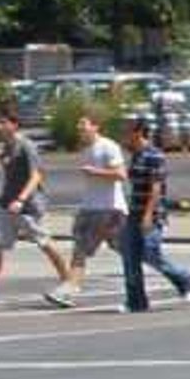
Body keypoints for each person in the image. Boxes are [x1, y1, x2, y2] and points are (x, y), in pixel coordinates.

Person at [0, 106, 79, 309]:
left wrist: (21, 199)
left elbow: (37, 175)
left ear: (14, 124)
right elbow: (10, 172)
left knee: (45, 244)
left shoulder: (26, 145)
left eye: (3, 122)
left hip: (28, 207)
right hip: (5, 205)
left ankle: (68, 284)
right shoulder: (5, 146)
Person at [118, 112, 190, 312]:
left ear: (138, 132)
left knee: (150, 253)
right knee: (130, 258)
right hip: (133, 213)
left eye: (127, 130)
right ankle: (136, 302)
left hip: (152, 214)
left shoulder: (155, 155)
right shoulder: (135, 154)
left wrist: (147, 216)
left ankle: (184, 280)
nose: (124, 134)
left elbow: (156, 188)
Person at [70, 113, 127, 285]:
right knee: (81, 248)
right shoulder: (86, 149)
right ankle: (70, 288)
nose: (79, 128)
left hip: (109, 209)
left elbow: (121, 174)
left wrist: (96, 172)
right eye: (78, 125)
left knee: (120, 248)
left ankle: (70, 288)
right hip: (89, 207)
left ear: (95, 127)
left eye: (83, 124)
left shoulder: (108, 146)